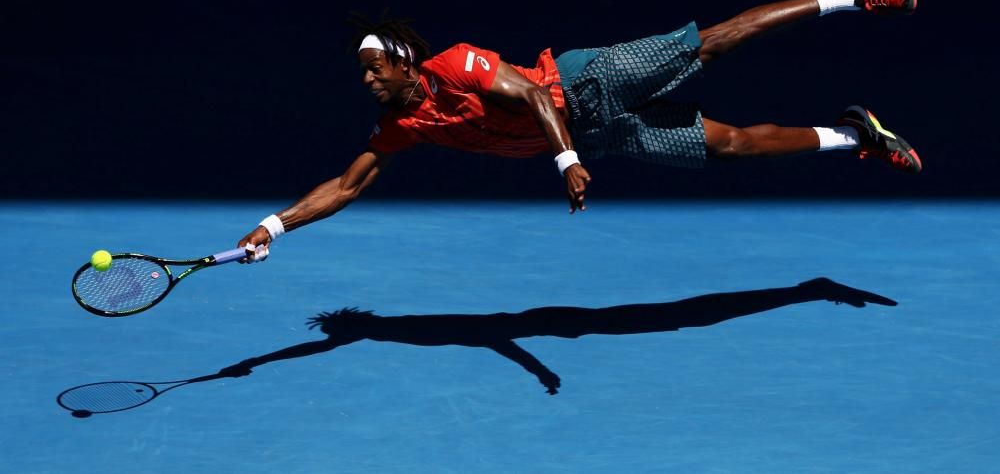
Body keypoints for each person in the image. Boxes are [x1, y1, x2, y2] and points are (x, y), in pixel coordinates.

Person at [237, 0, 919, 259]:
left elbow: (535, 97)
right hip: (596, 133)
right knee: (731, 145)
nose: (365, 80)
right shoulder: (402, 127)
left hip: (586, 80)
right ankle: (857, 133)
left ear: (403, 63)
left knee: (709, 43)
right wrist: (272, 226)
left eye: (371, 68)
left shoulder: (451, 63)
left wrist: (565, 162)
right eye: (362, 72)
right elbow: (348, 184)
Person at [218, 277, 897, 394]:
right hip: (554, 323)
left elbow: (490, 337)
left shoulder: (399, 331)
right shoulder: (387, 331)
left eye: (341, 331)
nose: (340, 337)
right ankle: (805, 291)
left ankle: (808, 288)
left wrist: (537, 370)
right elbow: (319, 344)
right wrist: (257, 359)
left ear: (352, 328)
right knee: (682, 313)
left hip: (556, 324)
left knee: (686, 314)